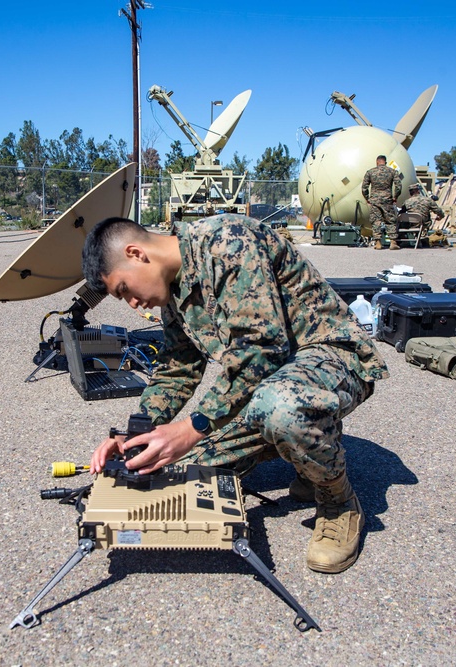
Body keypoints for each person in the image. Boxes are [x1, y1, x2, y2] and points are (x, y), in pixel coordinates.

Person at [82, 214, 388, 573]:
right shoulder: (173, 289)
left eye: (123, 290)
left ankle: (339, 501)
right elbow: (178, 366)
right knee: (178, 466)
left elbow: (261, 350)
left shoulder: (227, 241)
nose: (132, 304)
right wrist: (137, 433)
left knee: (281, 408)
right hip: (270, 380)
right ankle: (305, 455)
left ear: (135, 253)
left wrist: (192, 427)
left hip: (332, 358)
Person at [361, 155, 402, 250]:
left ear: (377, 162)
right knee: (390, 220)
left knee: (376, 221)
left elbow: (364, 187)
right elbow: (399, 186)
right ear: (385, 162)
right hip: (387, 200)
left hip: (375, 200)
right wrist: (395, 197)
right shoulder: (392, 171)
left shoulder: (370, 172)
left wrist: (367, 198)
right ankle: (393, 242)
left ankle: (378, 242)